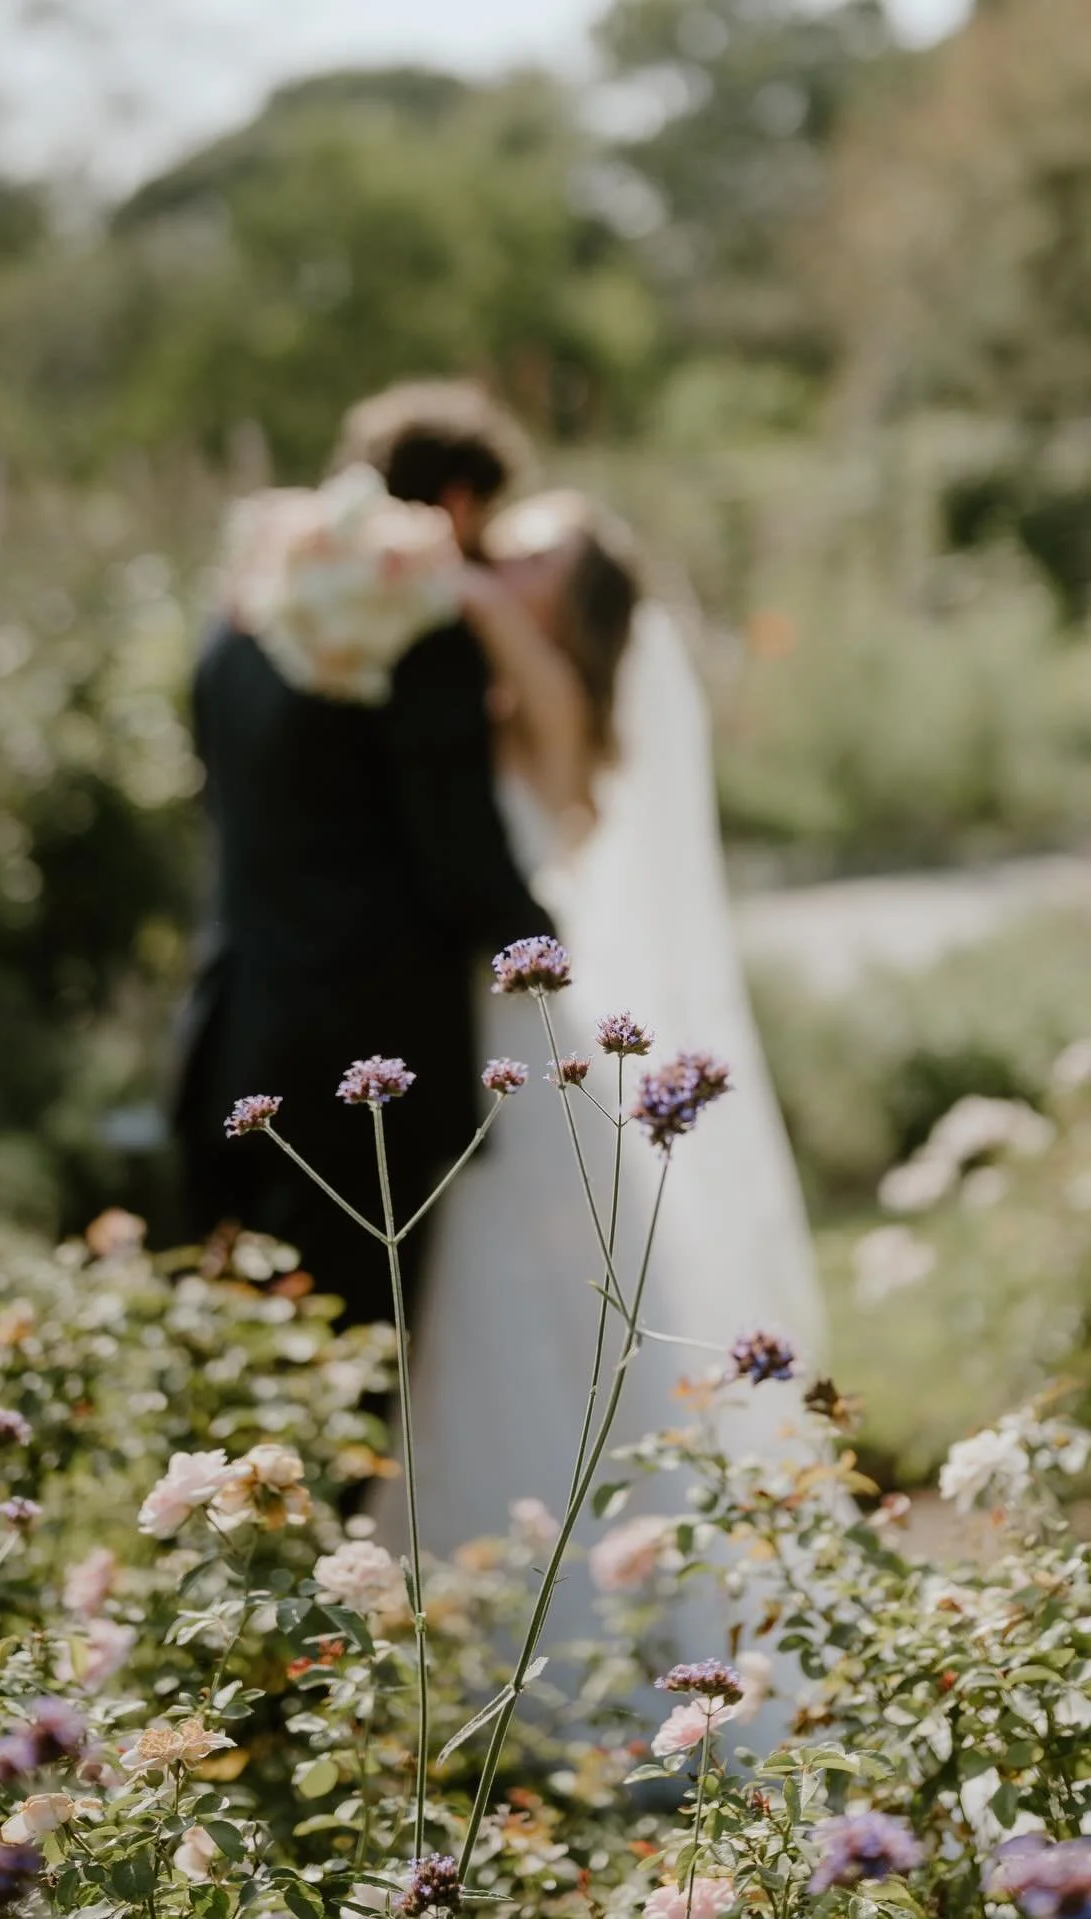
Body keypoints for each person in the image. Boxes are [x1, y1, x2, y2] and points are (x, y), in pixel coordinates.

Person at [387, 489, 825, 1676]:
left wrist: (414, 561)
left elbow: (475, 604)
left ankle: (578, 1655)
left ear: (566, 607)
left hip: (526, 1050)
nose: (497, 560)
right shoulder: (480, 679)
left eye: (533, 558)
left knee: (533, 1309)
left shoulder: (555, 697)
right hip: (466, 1034)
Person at [170, 382, 555, 1330]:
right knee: (348, 1366)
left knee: (241, 1365)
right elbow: (456, 850)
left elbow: (218, 797)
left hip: (234, 1029)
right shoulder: (418, 631)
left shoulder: (241, 615)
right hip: (363, 1062)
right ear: (458, 505)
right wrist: (543, 946)